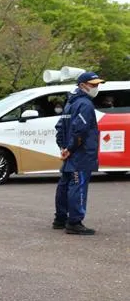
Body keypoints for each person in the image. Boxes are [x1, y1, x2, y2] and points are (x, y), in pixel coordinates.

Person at [53, 71, 104, 235]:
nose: (96, 87)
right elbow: (80, 130)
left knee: (65, 185)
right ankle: (74, 222)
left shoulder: (70, 103)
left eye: (97, 84)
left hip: (71, 152)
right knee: (78, 186)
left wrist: (63, 147)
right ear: (82, 85)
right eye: (93, 85)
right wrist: (70, 148)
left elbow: (60, 127)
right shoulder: (85, 104)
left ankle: (60, 219)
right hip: (81, 153)